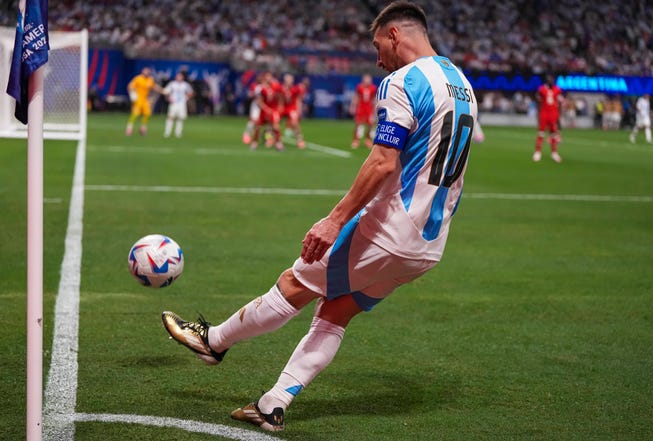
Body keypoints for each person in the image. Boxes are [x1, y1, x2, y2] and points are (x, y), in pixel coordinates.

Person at [162, 0, 477, 432]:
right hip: (428, 246)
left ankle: (212, 341)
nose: (376, 58)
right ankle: (273, 403)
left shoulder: (403, 80)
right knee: (335, 312)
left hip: (390, 228)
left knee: (295, 283)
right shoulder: (462, 84)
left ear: (394, 35)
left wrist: (334, 220)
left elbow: (384, 161)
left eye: (376, 46)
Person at [533, 75, 563, 163]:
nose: (551, 82)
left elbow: (560, 101)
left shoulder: (557, 89)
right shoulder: (541, 89)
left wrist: (558, 114)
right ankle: (537, 152)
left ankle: (554, 153)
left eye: (552, 80)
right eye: (549, 80)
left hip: (553, 113)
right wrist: (538, 113)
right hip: (544, 113)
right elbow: (537, 99)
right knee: (541, 133)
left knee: (553, 134)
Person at [125, 67, 163, 136]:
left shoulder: (150, 80)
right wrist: (132, 94)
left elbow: (154, 87)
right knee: (135, 114)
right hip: (138, 99)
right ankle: (129, 128)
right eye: (145, 71)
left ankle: (143, 128)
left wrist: (162, 90)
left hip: (145, 99)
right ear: (142, 72)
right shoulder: (138, 78)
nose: (146, 73)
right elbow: (130, 86)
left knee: (147, 113)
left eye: (148, 72)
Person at [350, 74, 378, 149]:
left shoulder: (373, 88)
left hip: (369, 108)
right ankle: (356, 140)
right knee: (358, 123)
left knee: (370, 124)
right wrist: (353, 106)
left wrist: (375, 108)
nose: (368, 81)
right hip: (361, 107)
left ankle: (367, 139)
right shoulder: (359, 87)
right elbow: (356, 97)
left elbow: (374, 99)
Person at [163, 72, 194, 138]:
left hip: (181, 104)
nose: (179, 78)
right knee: (170, 117)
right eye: (178, 76)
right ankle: (167, 132)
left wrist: (187, 98)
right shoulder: (172, 84)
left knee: (180, 118)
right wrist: (169, 98)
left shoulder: (185, 85)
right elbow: (166, 91)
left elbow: (191, 92)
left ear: (182, 77)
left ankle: (178, 133)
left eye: (180, 76)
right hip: (173, 103)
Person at [281, 73, 306, 148]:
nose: (289, 81)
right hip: (282, 107)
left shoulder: (295, 89)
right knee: (273, 122)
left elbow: (298, 100)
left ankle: (299, 139)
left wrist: (299, 110)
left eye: (291, 79)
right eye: (288, 79)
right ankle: (269, 138)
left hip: (291, 107)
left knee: (295, 123)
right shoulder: (280, 88)